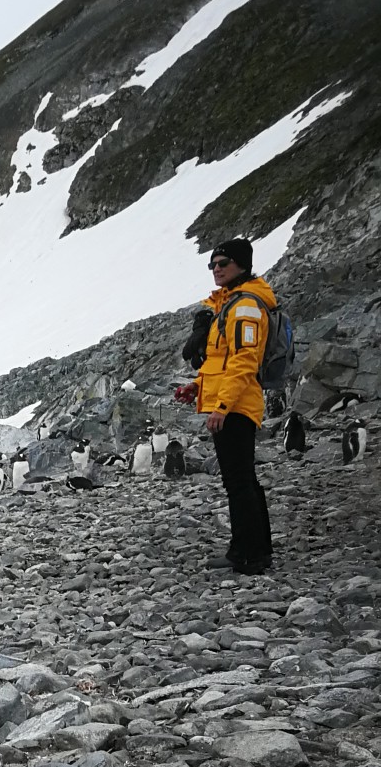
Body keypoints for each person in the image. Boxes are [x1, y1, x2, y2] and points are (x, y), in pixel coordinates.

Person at [174, 238, 274, 574]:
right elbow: (221, 361)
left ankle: (247, 554)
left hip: (237, 406)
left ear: (241, 265)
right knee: (242, 479)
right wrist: (197, 387)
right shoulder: (229, 304)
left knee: (239, 481)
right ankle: (255, 549)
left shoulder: (244, 306)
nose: (216, 269)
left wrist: (222, 406)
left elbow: (245, 361)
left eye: (223, 263)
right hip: (230, 402)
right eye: (213, 264)